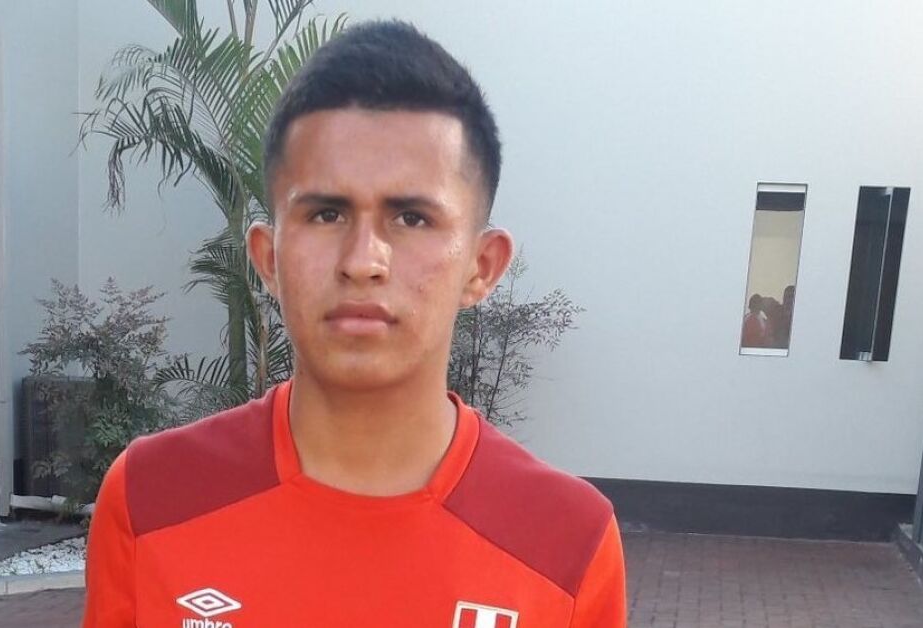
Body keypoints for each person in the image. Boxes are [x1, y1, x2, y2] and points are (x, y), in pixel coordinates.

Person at [83, 20, 626, 628]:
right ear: (268, 257)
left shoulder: (566, 542)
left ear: (482, 266)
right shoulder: (152, 498)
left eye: (412, 218)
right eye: (326, 214)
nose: (363, 261)